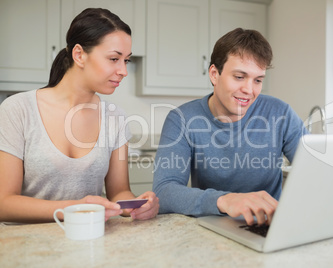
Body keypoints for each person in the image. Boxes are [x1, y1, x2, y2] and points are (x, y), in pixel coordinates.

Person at [0, 8, 159, 223]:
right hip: (26, 246)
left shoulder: (115, 118)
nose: (123, 71)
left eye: (126, 60)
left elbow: (119, 192)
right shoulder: (17, 110)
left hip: (88, 240)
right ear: (79, 55)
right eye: (114, 59)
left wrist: (136, 205)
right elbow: (4, 203)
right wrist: (76, 208)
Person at [153, 28, 307, 226]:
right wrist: (224, 200)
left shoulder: (281, 113)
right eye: (239, 77)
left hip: (268, 227)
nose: (249, 90)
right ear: (214, 74)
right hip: (211, 227)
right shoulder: (182, 119)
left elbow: (317, 173)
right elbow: (164, 191)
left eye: (258, 80)